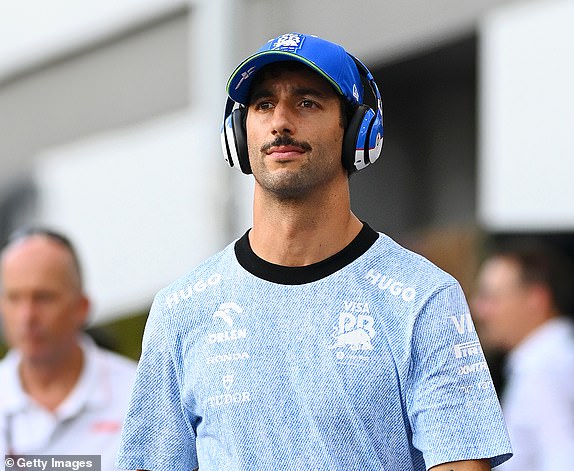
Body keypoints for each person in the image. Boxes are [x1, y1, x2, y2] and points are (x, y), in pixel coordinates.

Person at [117, 32, 512, 470]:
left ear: (360, 131)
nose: (280, 121)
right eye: (263, 104)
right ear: (237, 133)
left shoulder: (423, 297)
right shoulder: (182, 308)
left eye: (307, 102)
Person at [0, 227, 137, 470]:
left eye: (43, 297)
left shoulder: (140, 396)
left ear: (82, 307)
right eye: (14, 297)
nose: (27, 316)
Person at [472, 242, 574, 470]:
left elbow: (563, 460)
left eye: (491, 297)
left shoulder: (543, 367)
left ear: (535, 299)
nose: (478, 309)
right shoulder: (553, 356)